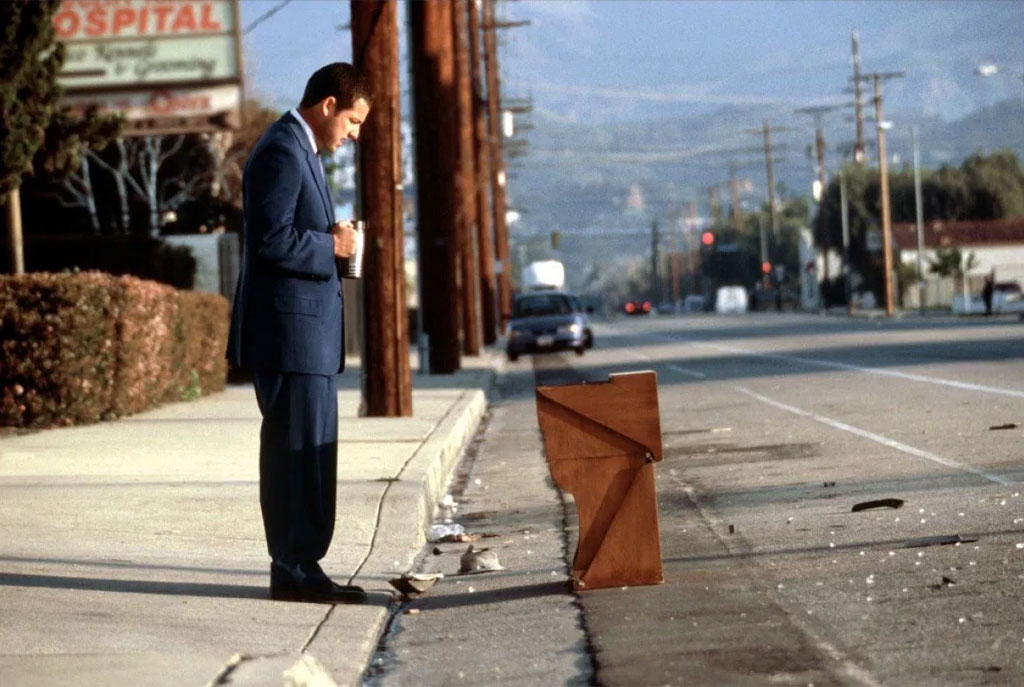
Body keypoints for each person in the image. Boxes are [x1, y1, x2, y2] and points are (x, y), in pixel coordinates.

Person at [227, 63, 372, 604]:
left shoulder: (302, 150)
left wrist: (334, 242)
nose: (354, 134)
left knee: (311, 452)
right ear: (330, 104)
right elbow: (270, 240)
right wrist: (331, 246)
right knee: (294, 454)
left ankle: (303, 565)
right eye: (354, 121)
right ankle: (293, 568)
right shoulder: (283, 149)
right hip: (288, 335)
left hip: (307, 336)